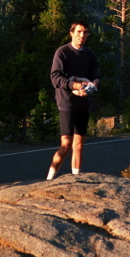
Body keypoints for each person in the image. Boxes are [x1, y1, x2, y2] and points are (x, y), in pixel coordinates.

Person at [47, 21, 101, 180]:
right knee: (66, 144)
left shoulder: (90, 55)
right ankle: (50, 178)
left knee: (79, 145)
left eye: (85, 32)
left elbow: (97, 76)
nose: (82, 35)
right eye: (78, 32)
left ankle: (75, 179)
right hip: (66, 103)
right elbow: (55, 77)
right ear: (71, 33)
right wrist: (74, 85)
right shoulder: (62, 52)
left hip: (83, 104)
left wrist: (93, 87)